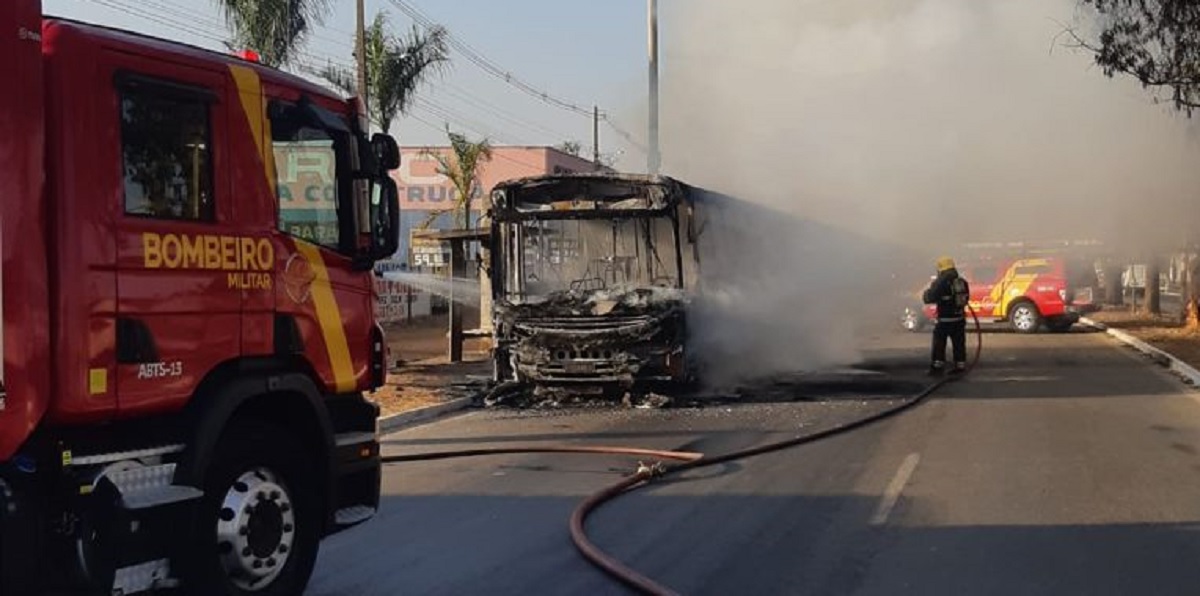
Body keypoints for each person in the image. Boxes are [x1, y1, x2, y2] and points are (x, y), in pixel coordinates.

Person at [922, 256, 970, 376]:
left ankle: (937, 367)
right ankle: (960, 366)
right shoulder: (961, 281)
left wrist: (926, 293)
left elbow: (929, 298)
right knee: (959, 343)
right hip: (959, 319)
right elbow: (966, 298)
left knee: (939, 343)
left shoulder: (940, 282)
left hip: (944, 320)